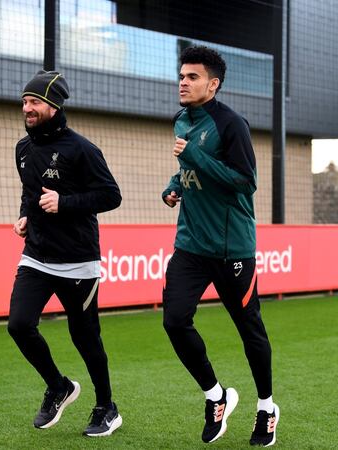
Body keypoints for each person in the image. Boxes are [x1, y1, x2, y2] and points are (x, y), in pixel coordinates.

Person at [162, 46, 279, 447]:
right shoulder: (180, 120)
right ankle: (216, 396)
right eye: (181, 75)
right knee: (175, 321)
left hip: (232, 249)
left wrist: (193, 155)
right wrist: (174, 187)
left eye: (192, 77)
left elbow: (245, 181)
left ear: (213, 84)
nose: (183, 82)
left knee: (250, 330)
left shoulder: (232, 124)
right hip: (190, 245)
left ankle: (266, 407)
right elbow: (188, 169)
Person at [8, 70, 122, 438]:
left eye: (34, 101)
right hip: (36, 256)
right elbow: (30, 192)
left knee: (85, 337)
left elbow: (111, 196)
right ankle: (58, 386)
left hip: (78, 261)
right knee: (19, 325)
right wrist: (25, 215)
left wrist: (65, 202)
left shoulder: (83, 149)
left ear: (54, 106)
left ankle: (107, 406)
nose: (27, 107)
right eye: (25, 101)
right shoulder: (23, 149)